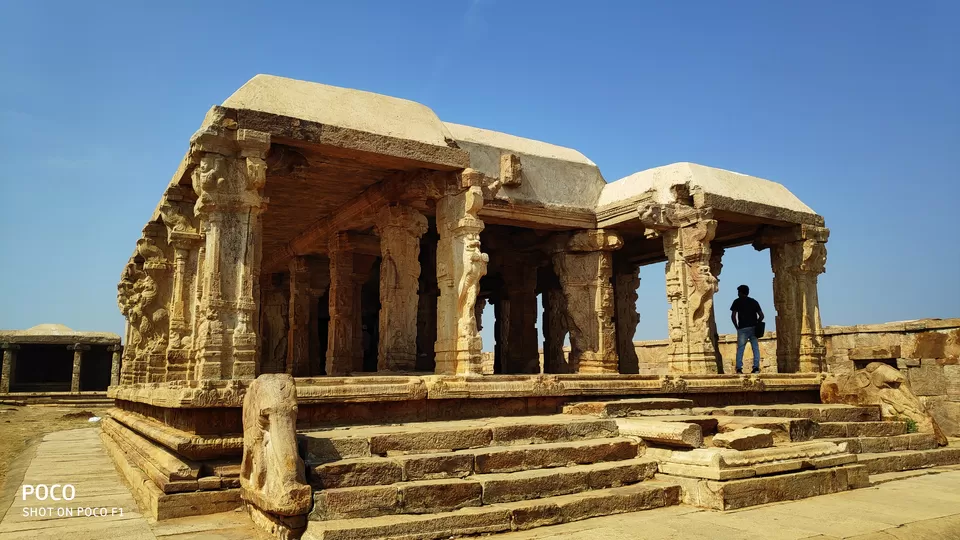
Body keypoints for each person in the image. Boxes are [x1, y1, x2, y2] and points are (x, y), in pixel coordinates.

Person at [730, 284, 764, 374]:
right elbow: (761, 315)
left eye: (738, 292)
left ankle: (739, 368)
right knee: (755, 348)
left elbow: (733, 316)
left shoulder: (737, 302)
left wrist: (736, 327)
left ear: (741, 292)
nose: (738, 294)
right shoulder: (754, 302)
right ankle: (756, 367)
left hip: (742, 328)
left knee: (740, 349)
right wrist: (757, 323)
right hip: (753, 328)